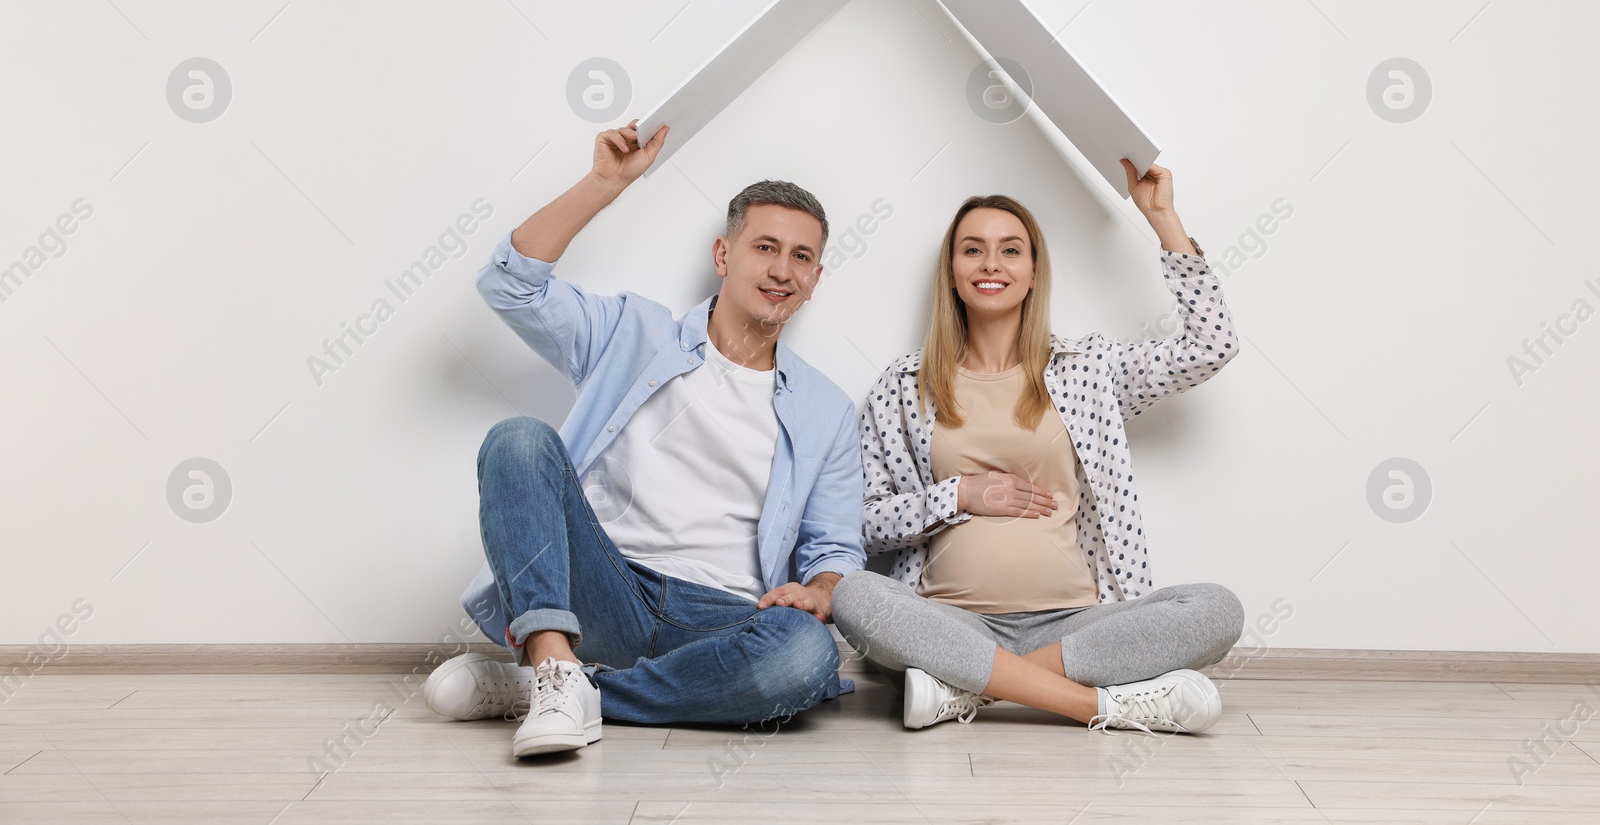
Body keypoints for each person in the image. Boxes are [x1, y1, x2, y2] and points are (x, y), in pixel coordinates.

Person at [423, 119, 865, 757]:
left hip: (725, 617)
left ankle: (555, 690)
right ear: (723, 255)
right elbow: (510, 284)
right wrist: (603, 183)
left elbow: (835, 548)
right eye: (765, 247)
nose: (782, 270)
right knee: (517, 440)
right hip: (606, 590)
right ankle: (553, 661)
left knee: (805, 657)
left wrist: (820, 590)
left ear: (816, 278)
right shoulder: (632, 331)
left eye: (801, 257)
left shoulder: (826, 410)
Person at [830, 159, 1245, 735]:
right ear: (951, 272)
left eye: (1010, 250)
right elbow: (866, 522)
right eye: (972, 249)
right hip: (950, 623)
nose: (991, 263)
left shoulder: (1089, 370)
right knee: (854, 594)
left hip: (1077, 627)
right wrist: (960, 494)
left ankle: (968, 687)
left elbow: (1211, 344)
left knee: (1217, 609)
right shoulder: (904, 386)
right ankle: (1099, 705)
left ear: (1032, 272)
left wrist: (1162, 218)